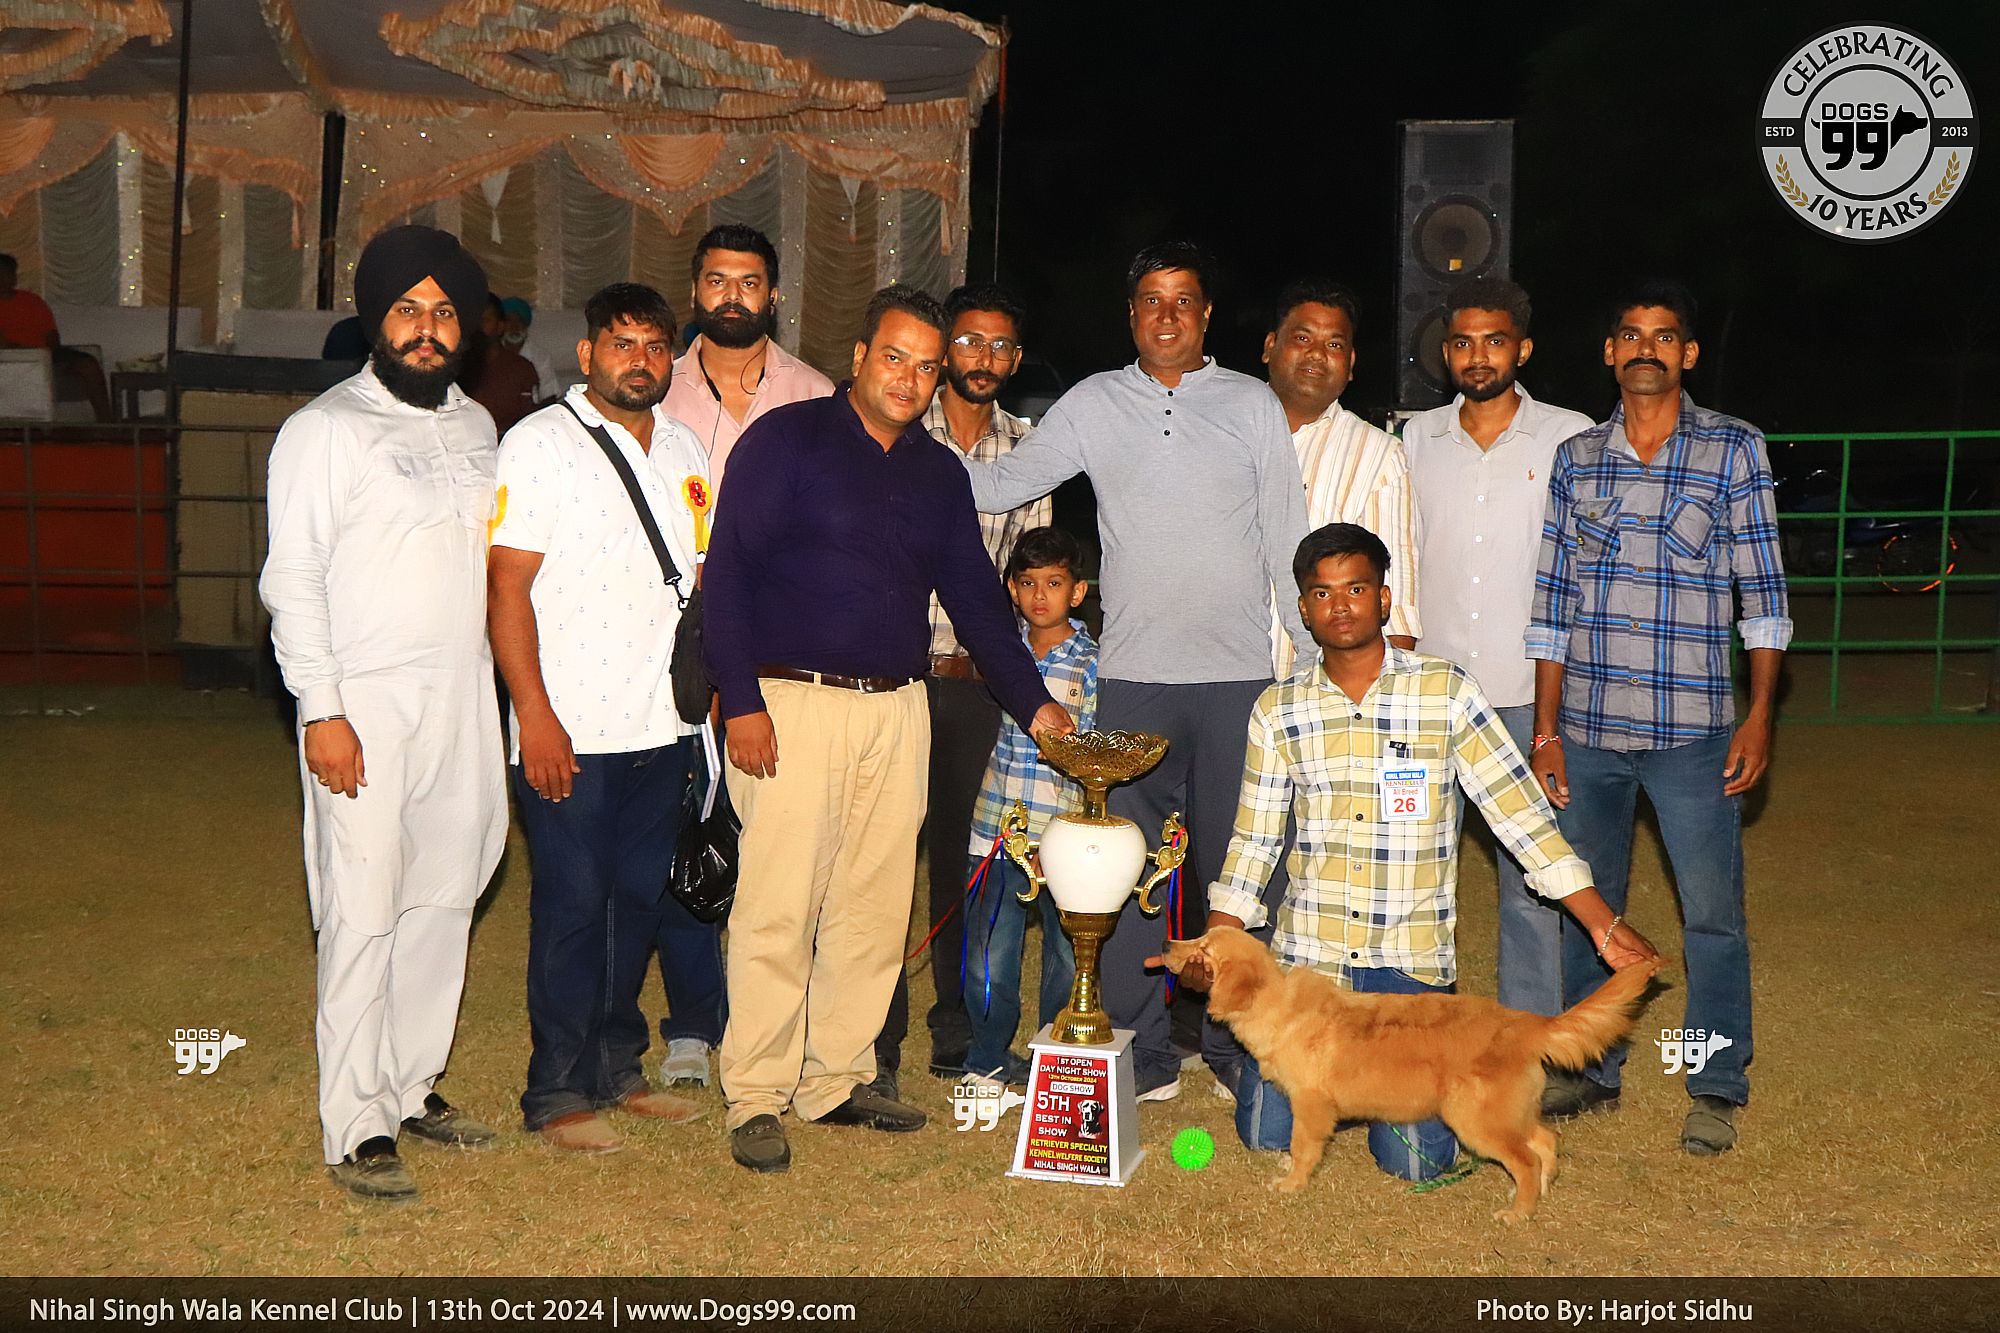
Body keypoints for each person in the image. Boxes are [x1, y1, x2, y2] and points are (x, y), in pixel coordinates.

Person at [703, 284, 1075, 1173]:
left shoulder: (938, 473)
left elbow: (979, 606)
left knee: (872, 906)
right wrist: (741, 700)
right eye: (895, 357)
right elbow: (729, 576)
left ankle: (836, 1076)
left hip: (900, 708)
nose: (909, 379)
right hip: (792, 704)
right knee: (778, 906)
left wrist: (1038, 705)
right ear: (860, 356)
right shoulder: (787, 439)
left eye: (926, 366)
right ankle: (756, 1091)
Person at [1174, 523, 1658, 1181]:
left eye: (1356, 589)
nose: (1340, 605)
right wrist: (1213, 946)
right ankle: (1320, 1086)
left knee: (1415, 1163)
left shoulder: (1446, 691)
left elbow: (1520, 817)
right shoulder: (1278, 709)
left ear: (1384, 599)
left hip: (1407, 970)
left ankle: (1369, 1096)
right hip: (1310, 970)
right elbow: (1253, 842)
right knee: (1265, 1137)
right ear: (1304, 610)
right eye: (1322, 592)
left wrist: (1601, 921)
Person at [964, 240, 1313, 1103]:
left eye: (1183, 299)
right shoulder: (1094, 402)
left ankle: (1237, 1050)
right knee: (1122, 869)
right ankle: (1139, 1050)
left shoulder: (1251, 403)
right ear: (1130, 315)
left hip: (1238, 680)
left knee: (1238, 871)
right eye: (1150, 299)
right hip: (1134, 679)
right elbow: (1001, 484)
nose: (1167, 314)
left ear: (1206, 314)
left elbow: (1286, 538)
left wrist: (1305, 669)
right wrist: (899, 446)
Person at [258, 225, 507, 1202]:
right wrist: (321, 709)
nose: (426, 327)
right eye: (408, 309)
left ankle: (409, 1085)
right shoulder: (324, 429)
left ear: (466, 327)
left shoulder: (480, 428)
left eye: (443, 311)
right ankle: (356, 1122)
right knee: (361, 908)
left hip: (463, 696)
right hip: (362, 701)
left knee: (444, 894)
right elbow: (293, 579)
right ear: (376, 319)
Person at [1527, 281, 1790, 1156]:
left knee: (1710, 916)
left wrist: (1760, 716)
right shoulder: (1577, 459)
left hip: (1695, 731)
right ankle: (1586, 1067)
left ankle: (1714, 1082)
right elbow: (1552, 602)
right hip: (1590, 728)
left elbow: (1764, 594)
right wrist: (1548, 731)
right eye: (1631, 335)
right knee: (1586, 905)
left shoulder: (1734, 449)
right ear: (1610, 352)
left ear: (1688, 354)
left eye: (1665, 336)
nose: (1647, 348)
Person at [488, 283, 715, 1154]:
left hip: (663, 727)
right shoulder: (540, 443)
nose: (640, 361)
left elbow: (699, 586)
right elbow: (507, 587)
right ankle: (555, 1089)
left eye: (656, 346)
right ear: (587, 354)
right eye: (622, 344)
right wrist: (534, 716)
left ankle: (618, 1068)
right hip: (570, 729)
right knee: (574, 906)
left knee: (637, 904)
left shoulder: (686, 447)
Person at [1401, 277, 1594, 1019]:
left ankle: (1531, 1040)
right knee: (1415, 877)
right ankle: (1417, 1032)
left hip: (1527, 693)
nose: (1477, 356)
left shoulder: (1570, 435)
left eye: (1495, 341)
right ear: (1445, 351)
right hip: (1429, 697)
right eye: (1462, 342)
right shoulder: (1416, 439)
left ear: (1524, 348)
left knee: (1532, 880)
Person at [875, 282, 1050, 1092]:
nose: (985, 357)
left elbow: (1032, 577)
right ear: (946, 351)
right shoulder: (905, 431)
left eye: (1001, 345)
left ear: (1017, 359)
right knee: (881, 857)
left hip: (982, 688)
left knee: (964, 862)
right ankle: (874, 1028)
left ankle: (956, 1025)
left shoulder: (1031, 448)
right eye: (971, 341)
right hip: (900, 679)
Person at [961, 525, 1092, 1086]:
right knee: (989, 953)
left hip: (1062, 836)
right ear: (1012, 590)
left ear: (1077, 592)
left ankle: (1053, 1058)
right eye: (1028, 583)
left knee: (1067, 954)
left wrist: (1066, 835)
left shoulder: (1093, 663)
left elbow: (1093, 753)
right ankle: (988, 1057)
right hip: (994, 828)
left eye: (1054, 583)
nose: (1040, 595)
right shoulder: (999, 653)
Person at [1262, 280, 1419, 674]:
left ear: (1350, 365)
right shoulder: (1218, 433)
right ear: (1270, 346)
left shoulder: (1378, 456)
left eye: (1334, 344)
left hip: (1317, 693)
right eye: (1303, 338)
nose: (1317, 353)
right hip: (1210, 682)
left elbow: (1396, 606)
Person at [660, 223, 834, 487]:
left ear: (772, 297)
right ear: (694, 293)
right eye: (717, 282)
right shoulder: (660, 392)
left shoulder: (814, 394)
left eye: (748, 284)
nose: (732, 296)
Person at [0, 253, 110, 420]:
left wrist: (48, 354)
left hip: (48, 355)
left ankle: (107, 424)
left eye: (7, 273)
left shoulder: (32, 301)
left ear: (14, 277)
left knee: (88, 364)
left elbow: (51, 334)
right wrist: (28, 353)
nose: (3, 278)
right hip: (14, 360)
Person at [460, 294, 541, 435]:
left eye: (485, 320)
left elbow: (530, 417)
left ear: (500, 326)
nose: (479, 326)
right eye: (475, 320)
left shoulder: (521, 369)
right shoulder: (456, 368)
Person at [499, 296, 563, 402]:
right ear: (501, 325)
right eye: (509, 321)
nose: (514, 327)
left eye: (519, 321)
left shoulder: (540, 358)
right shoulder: (493, 353)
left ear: (525, 325)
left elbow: (550, 396)